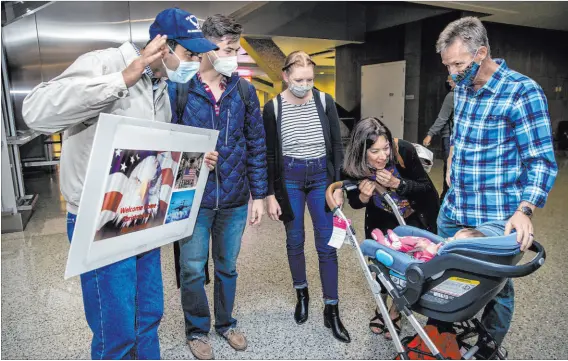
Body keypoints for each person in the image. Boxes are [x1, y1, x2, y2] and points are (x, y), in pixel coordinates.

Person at [21, 8, 218, 359]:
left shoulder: (164, 89)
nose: (194, 63)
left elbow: (149, 155)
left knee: (148, 315)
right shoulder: (105, 63)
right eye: (190, 54)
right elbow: (36, 112)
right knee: (116, 329)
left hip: (143, 219)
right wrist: (122, 79)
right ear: (163, 46)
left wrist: (192, 162)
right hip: (101, 223)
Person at [436, 16, 558, 353]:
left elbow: (540, 161)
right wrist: (451, 157)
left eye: (458, 64)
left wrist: (524, 210)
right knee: (446, 276)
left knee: (496, 289)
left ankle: (488, 346)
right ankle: (447, 334)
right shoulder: (461, 87)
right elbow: (459, 134)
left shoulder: (522, 92)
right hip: (455, 209)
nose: (452, 73)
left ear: (481, 53)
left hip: (496, 216)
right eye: (448, 65)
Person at [168, 14, 267, 360]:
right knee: (192, 268)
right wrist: (193, 156)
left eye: (237, 49)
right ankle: (197, 329)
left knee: (228, 265)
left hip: (235, 198)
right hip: (193, 198)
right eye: (228, 48)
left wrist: (259, 194)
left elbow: (256, 143)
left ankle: (226, 323)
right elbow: (164, 144)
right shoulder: (179, 89)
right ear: (207, 48)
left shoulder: (244, 90)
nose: (234, 56)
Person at [263, 51, 349, 343]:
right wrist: (271, 195)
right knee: (295, 239)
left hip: (320, 179)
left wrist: (338, 186)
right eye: (299, 79)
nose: (305, 84)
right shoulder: (273, 108)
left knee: (327, 245)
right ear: (286, 76)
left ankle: (332, 309)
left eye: (310, 79)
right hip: (289, 178)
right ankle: (302, 294)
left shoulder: (323, 101)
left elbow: (337, 146)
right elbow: (270, 154)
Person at [342, 117, 439, 339]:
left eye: (385, 148)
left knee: (405, 269)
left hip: (414, 218)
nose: (383, 156)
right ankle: (381, 307)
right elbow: (355, 202)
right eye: (374, 151)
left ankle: (396, 311)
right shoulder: (354, 165)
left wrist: (398, 184)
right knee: (382, 265)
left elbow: (427, 189)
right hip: (382, 218)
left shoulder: (403, 151)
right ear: (361, 150)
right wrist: (364, 196)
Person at [423, 76, 455, 201]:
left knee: (449, 170)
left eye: (450, 79)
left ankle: (444, 201)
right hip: (455, 137)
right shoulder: (459, 95)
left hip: (450, 138)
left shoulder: (452, 96)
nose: (447, 82)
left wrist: (430, 134)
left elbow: (442, 118)